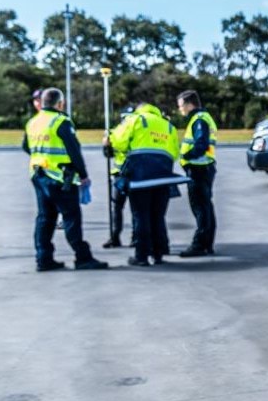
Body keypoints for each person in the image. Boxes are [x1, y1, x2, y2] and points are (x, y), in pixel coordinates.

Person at [24, 88, 108, 272]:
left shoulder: (33, 122)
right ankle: (82, 257)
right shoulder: (61, 121)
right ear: (60, 103)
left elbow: (25, 146)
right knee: (71, 217)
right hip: (60, 177)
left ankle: (43, 259)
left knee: (45, 218)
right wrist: (83, 174)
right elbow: (74, 150)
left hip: (38, 175)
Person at [107, 99, 178, 266]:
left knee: (141, 215)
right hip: (163, 176)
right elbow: (174, 153)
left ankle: (142, 256)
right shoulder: (168, 126)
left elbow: (118, 142)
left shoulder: (136, 120)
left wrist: (108, 137)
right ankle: (158, 254)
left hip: (141, 176)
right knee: (158, 216)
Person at [176, 90, 217, 256]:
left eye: (180, 106)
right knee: (206, 207)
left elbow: (201, 144)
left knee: (200, 208)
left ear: (188, 104)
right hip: (204, 168)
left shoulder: (199, 120)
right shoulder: (202, 117)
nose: (180, 110)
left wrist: (186, 155)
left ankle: (199, 245)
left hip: (198, 169)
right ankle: (207, 243)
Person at [101, 105, 136, 249]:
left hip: (134, 174)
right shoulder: (115, 133)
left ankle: (136, 237)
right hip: (119, 175)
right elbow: (108, 155)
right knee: (116, 207)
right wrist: (106, 145)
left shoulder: (138, 133)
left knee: (136, 208)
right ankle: (115, 236)